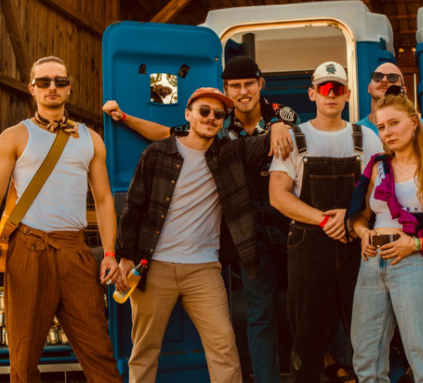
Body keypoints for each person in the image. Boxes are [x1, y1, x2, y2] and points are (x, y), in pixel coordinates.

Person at [104, 55, 299, 383]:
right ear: (188, 115)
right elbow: (133, 209)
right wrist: (124, 257)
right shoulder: (157, 154)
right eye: (204, 111)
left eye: (218, 115)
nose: (211, 118)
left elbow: (271, 140)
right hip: (155, 266)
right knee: (145, 349)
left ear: (223, 120)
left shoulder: (228, 153)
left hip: (204, 269)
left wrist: (279, 122)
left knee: (224, 347)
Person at [0, 56, 122, 383]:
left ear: (69, 88)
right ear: (32, 88)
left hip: (75, 252)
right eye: (44, 82)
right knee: (23, 358)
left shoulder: (91, 139)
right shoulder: (14, 136)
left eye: (59, 81)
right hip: (28, 249)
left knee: (99, 352)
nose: (52, 87)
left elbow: (103, 199)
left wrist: (109, 253)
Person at [269, 61, 382, 383]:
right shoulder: (294, 138)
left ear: (347, 94)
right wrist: (325, 220)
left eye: (338, 88)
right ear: (312, 94)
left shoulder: (368, 139)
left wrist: (352, 218)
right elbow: (278, 195)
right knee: (307, 335)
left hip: (355, 246)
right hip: (308, 247)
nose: (331, 94)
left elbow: (378, 192)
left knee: (366, 331)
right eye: (324, 88)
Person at [346, 85, 423, 383]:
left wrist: (415, 243)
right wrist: (363, 233)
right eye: (381, 127)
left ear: (414, 122)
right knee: (367, 359)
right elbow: (360, 217)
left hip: (413, 264)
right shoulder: (377, 166)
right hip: (371, 263)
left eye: (394, 123)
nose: (387, 132)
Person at [358, 62, 423, 160]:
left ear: (404, 90)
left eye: (392, 77)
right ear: (369, 88)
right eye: (377, 77)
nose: (384, 80)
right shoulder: (356, 131)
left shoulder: (422, 127)